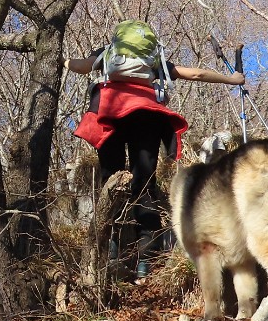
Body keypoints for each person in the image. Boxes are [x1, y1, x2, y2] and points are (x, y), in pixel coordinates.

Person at [66, 25, 246, 276]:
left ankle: (112, 251)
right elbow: (197, 75)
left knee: (111, 182)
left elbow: (81, 66)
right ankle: (144, 262)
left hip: (110, 117)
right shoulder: (154, 60)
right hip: (147, 118)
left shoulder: (107, 54)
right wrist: (232, 79)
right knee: (144, 185)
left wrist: (63, 61)